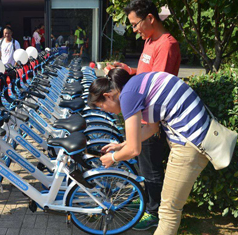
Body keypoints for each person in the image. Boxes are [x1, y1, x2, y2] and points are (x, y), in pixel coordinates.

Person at [89, 68, 210, 235]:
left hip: (190, 142)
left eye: (101, 106)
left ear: (108, 95)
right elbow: (151, 128)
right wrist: (122, 145)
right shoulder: (135, 85)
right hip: (192, 136)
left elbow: (134, 150)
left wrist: (113, 158)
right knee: (169, 207)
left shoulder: (127, 97)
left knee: (168, 210)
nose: (103, 110)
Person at [103, 0, 181, 230]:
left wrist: (146, 121)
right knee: (143, 164)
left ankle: (154, 212)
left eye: (136, 24)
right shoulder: (149, 40)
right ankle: (147, 201)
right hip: (141, 111)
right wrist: (129, 72)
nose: (135, 30)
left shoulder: (167, 45)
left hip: (151, 116)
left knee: (151, 166)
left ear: (150, 18)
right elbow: (147, 74)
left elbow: (157, 85)